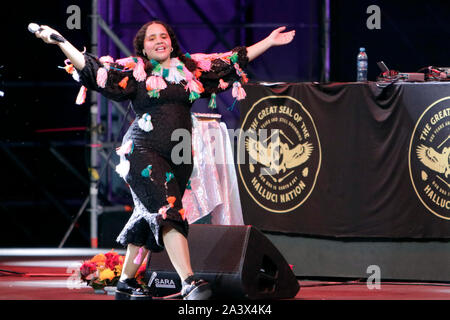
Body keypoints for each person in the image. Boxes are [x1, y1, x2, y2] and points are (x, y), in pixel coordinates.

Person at [35, 20, 295, 300]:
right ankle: (189, 281)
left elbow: (230, 62)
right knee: (168, 212)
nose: (159, 41)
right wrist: (62, 42)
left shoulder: (192, 69)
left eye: (163, 36)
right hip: (142, 154)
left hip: (179, 159)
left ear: (171, 42)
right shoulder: (136, 71)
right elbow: (94, 69)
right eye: (151, 38)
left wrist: (268, 42)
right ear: (143, 49)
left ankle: (126, 283)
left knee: (146, 220)